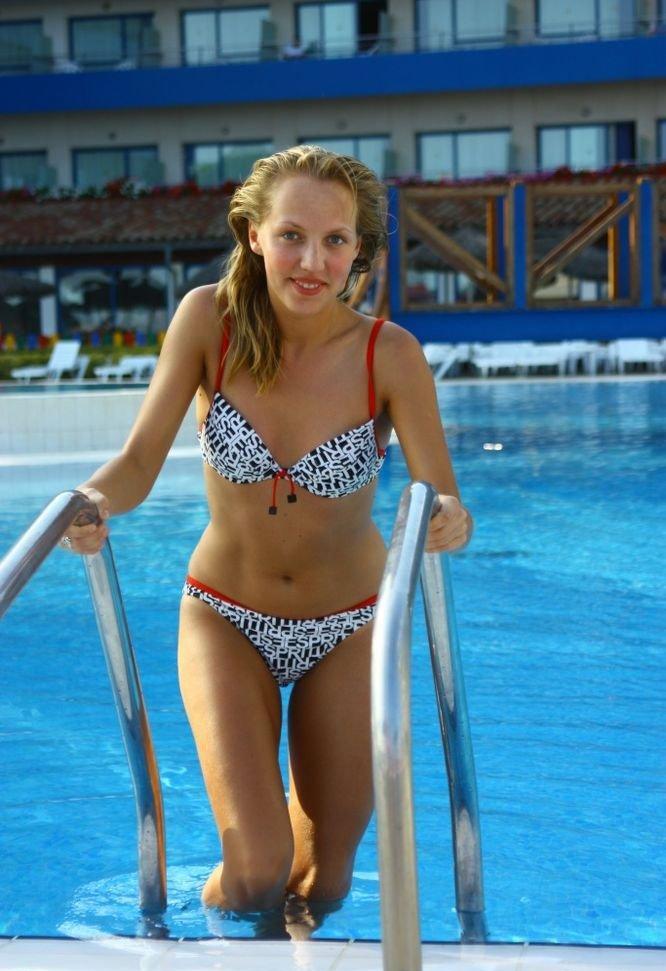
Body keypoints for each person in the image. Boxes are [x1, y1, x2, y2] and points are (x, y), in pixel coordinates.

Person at [60, 145, 473, 925]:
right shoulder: (206, 321)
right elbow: (139, 462)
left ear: (359, 248)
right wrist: (89, 502)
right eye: (291, 236)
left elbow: (442, 496)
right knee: (255, 869)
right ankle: (213, 944)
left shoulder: (389, 354)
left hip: (350, 626)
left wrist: (448, 520)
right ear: (254, 234)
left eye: (335, 240)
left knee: (326, 884)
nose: (313, 261)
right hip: (226, 615)